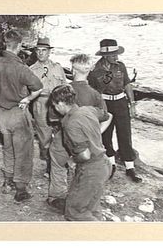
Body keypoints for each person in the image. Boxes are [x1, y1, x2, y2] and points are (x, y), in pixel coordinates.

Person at [0, 30, 43, 202]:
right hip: (18, 112)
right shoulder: (20, 67)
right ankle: (21, 189)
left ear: (6, 45)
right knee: (23, 150)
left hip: (2, 114)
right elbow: (39, 87)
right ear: (19, 45)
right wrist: (27, 98)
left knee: (8, 148)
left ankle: (7, 182)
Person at [47, 54, 113, 212]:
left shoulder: (62, 92)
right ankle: (78, 196)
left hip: (64, 137)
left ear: (71, 70)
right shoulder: (95, 94)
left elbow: (51, 118)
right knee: (82, 167)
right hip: (89, 142)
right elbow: (108, 116)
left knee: (57, 162)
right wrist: (96, 132)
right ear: (89, 70)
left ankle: (57, 196)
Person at [87, 39, 142, 183]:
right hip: (104, 103)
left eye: (117, 54)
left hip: (121, 102)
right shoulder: (94, 71)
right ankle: (111, 165)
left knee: (125, 134)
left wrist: (132, 104)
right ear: (105, 55)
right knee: (106, 135)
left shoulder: (121, 66)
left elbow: (127, 85)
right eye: (113, 55)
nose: (116, 57)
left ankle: (130, 167)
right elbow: (93, 91)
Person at [30, 37, 67, 178]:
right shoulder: (31, 70)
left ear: (49, 52)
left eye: (44, 50)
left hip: (58, 104)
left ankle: (61, 163)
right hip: (41, 103)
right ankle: (48, 165)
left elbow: (65, 85)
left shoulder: (57, 67)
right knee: (44, 137)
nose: (40, 53)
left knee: (61, 134)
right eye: (38, 51)